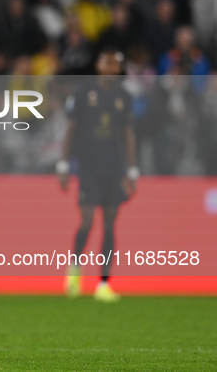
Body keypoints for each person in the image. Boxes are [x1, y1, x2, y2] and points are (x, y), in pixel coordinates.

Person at [56, 51, 138, 302]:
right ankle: (75, 269)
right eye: (108, 63)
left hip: (113, 167)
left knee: (111, 223)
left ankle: (103, 283)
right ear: (99, 66)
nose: (112, 68)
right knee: (88, 219)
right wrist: (63, 163)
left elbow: (127, 133)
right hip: (89, 166)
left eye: (116, 65)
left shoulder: (124, 97)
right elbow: (71, 129)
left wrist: (132, 169)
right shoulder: (83, 93)